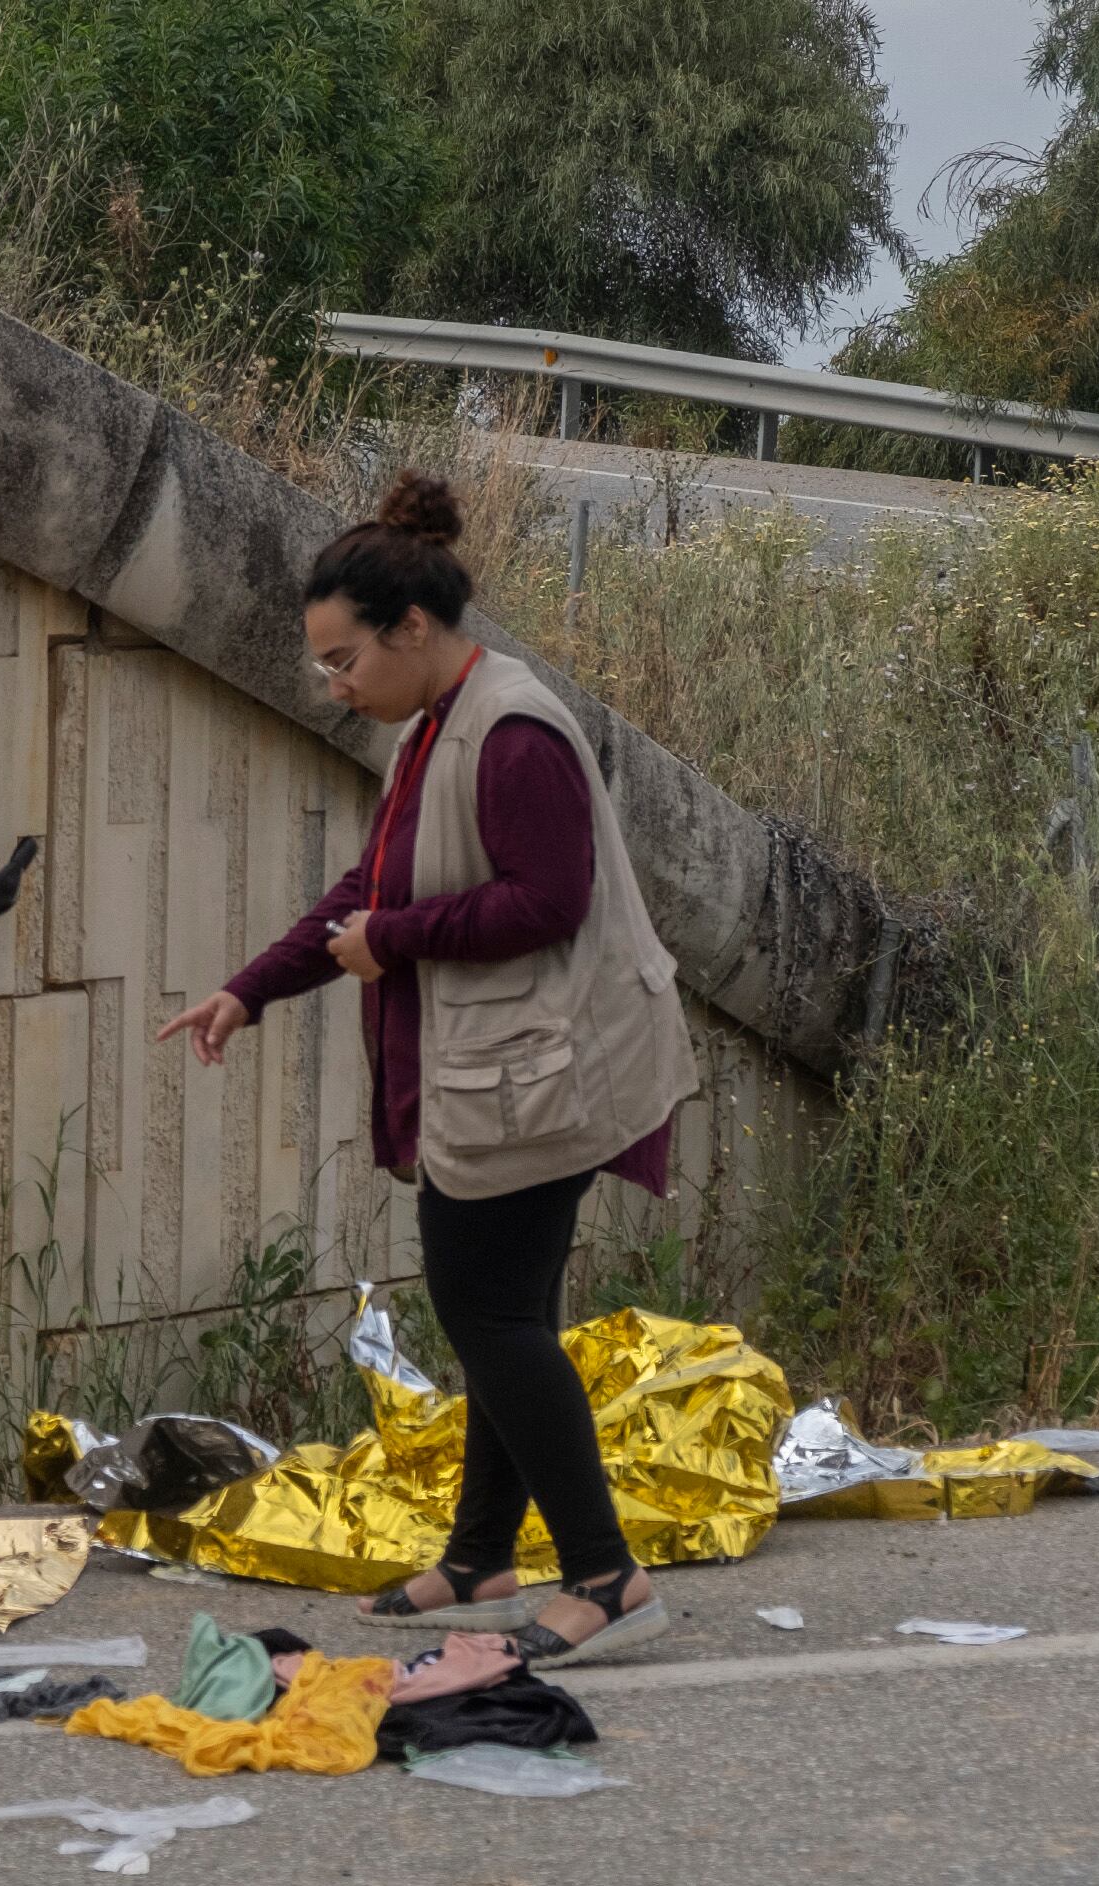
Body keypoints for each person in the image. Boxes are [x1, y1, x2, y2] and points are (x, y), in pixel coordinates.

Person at [157, 473, 698, 1666]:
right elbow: (370, 893)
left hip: (550, 1071)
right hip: (512, 1068)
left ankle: (608, 1577)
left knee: (491, 1315)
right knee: (505, 1316)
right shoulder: (434, 728)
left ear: (412, 629)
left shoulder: (510, 734)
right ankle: (483, 1557)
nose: (336, 685)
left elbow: (547, 903)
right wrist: (250, 989)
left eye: (342, 659)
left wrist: (390, 946)